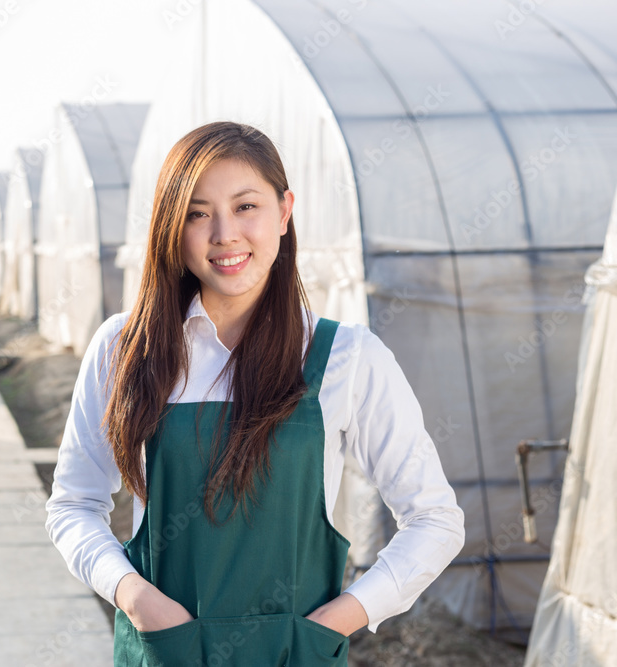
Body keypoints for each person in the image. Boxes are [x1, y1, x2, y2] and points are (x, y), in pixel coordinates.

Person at [44, 121, 465, 666]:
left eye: (247, 207)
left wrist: (339, 620)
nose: (225, 234)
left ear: (284, 212)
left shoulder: (347, 357)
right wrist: (135, 598)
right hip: (167, 651)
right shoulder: (126, 348)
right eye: (198, 213)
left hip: (294, 654)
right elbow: (74, 504)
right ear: (172, 226)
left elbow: (435, 519)